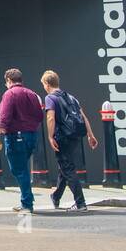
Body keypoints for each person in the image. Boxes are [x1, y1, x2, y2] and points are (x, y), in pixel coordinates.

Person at [40, 70, 98, 212]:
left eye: (43, 84)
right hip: (75, 136)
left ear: (47, 84)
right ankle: (56, 196)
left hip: (62, 137)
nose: (44, 87)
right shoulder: (72, 97)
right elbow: (83, 117)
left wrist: (50, 136)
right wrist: (91, 135)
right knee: (65, 167)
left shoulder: (50, 98)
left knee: (68, 169)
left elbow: (51, 118)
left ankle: (80, 203)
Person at [0, 67, 43, 212]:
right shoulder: (32, 94)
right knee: (23, 168)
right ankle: (27, 199)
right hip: (32, 136)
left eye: (6, 82)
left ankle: (27, 203)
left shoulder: (9, 94)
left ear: (9, 80)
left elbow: (4, 118)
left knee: (19, 170)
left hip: (16, 136)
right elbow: (40, 116)